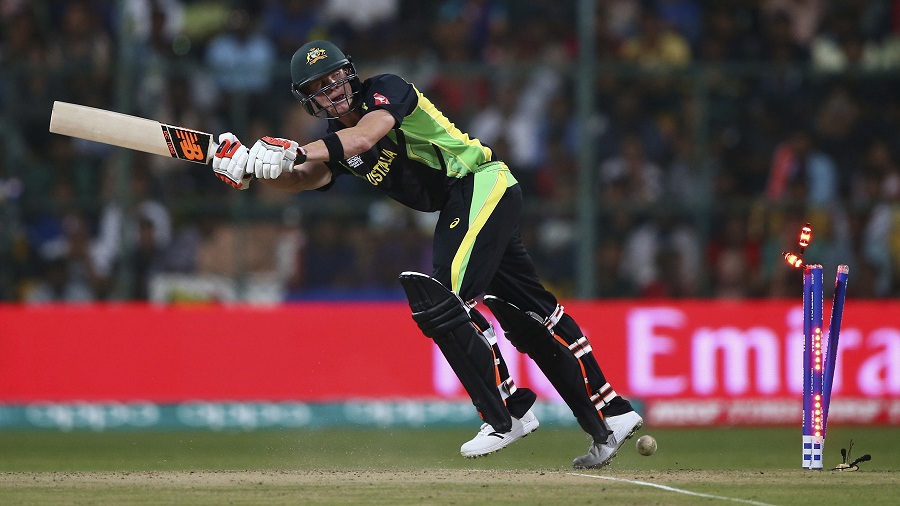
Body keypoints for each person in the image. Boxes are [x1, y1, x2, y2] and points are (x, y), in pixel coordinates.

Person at [210, 40, 643, 468]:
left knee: (444, 299)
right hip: (468, 202)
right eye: (320, 86)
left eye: (336, 76)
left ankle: (507, 411)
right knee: (530, 317)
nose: (334, 88)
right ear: (309, 100)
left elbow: (362, 138)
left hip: (477, 182)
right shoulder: (333, 140)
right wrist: (251, 170)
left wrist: (291, 150)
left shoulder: (387, 91)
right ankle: (610, 417)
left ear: (351, 72)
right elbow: (304, 178)